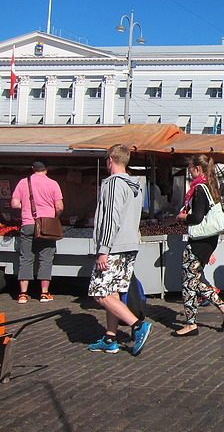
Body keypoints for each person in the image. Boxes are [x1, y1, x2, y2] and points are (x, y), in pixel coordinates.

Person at [87, 144, 152, 356]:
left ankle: (137, 325)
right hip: (129, 244)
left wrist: (103, 249)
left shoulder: (114, 184)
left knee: (99, 293)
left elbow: (110, 218)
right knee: (112, 291)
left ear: (110, 160)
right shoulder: (135, 186)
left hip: (114, 246)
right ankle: (110, 337)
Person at [173, 154, 224, 336]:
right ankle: (216, 311)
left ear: (197, 169)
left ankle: (197, 321)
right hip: (208, 241)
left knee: (188, 282)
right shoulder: (211, 186)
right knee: (192, 280)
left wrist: (182, 217)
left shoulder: (199, 188)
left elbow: (197, 217)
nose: (189, 172)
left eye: (190, 168)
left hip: (198, 241)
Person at [11, 160, 63, 304]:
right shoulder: (53, 184)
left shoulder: (23, 182)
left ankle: (22, 294)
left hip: (28, 223)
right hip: (46, 224)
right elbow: (59, 207)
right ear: (46, 169)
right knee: (46, 258)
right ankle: (44, 293)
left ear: (33, 169)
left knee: (25, 258)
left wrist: (26, 205)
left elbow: (14, 204)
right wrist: (54, 217)